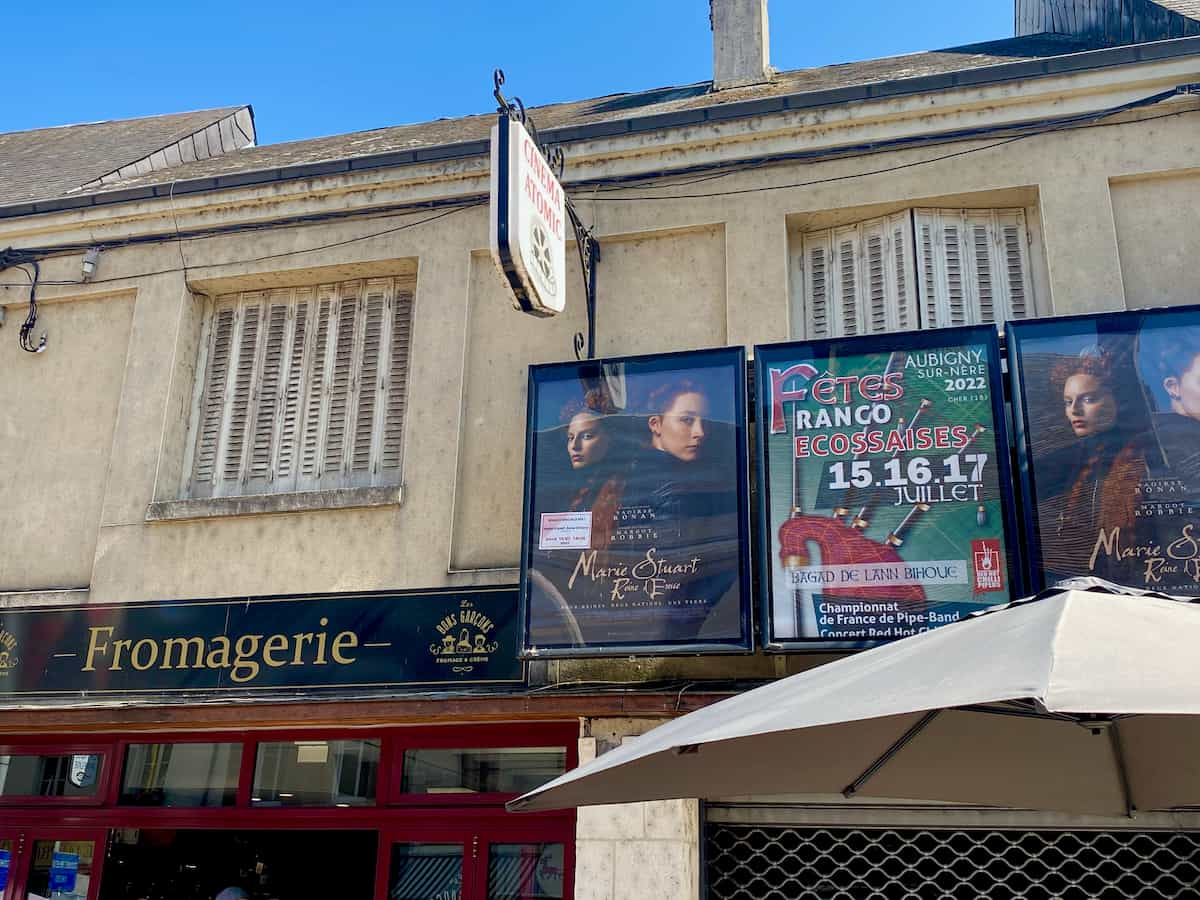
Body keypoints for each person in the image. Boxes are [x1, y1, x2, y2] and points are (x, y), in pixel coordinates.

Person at [1036, 347, 1153, 580]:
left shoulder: (1145, 454)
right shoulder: (1079, 460)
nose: (1074, 411)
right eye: (1068, 402)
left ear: (1117, 400)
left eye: (1088, 399)